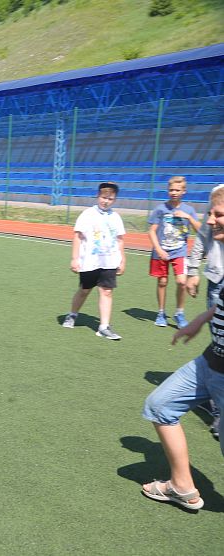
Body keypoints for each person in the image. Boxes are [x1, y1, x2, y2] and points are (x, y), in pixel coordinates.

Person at [140, 186, 224, 511]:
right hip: (209, 362)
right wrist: (200, 320)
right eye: (211, 213)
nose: (211, 220)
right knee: (161, 404)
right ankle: (182, 487)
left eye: (218, 214)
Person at [62, 182, 126, 340]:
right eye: (104, 197)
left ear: (115, 200)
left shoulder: (116, 217)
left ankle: (104, 327)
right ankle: (72, 314)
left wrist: (122, 259)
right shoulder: (88, 214)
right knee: (84, 290)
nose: (106, 201)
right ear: (98, 196)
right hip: (90, 260)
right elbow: (77, 236)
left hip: (110, 261)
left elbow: (120, 239)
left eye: (110, 198)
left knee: (107, 291)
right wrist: (75, 258)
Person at [185, 184, 224, 440]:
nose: (210, 220)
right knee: (219, 342)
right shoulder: (212, 223)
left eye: (216, 215)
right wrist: (192, 271)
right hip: (216, 282)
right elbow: (200, 242)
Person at [148, 176, 201, 328]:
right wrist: (158, 249)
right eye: (171, 190)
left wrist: (189, 218)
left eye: (177, 190)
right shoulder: (160, 209)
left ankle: (179, 313)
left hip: (180, 250)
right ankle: (161, 312)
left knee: (182, 281)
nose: (174, 192)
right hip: (161, 251)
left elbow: (200, 231)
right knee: (163, 282)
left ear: (184, 191)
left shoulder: (189, 210)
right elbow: (151, 231)